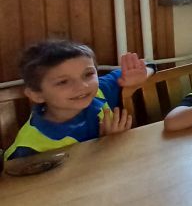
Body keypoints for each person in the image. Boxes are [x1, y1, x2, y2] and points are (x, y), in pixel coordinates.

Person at [4, 40, 153, 161]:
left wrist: (139, 76)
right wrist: (104, 144)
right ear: (37, 95)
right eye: (63, 82)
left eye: (88, 74)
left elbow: (149, 65)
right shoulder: (29, 148)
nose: (82, 86)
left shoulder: (99, 92)